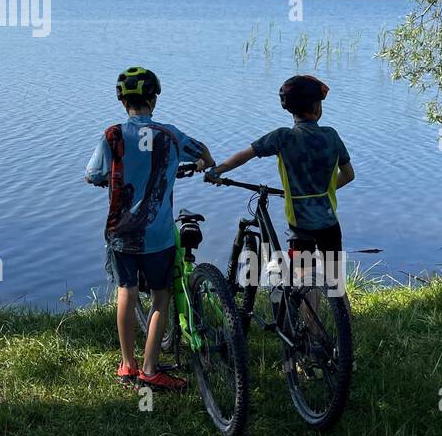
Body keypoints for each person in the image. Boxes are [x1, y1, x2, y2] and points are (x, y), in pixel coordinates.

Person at [85, 66, 214, 391]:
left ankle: (127, 366)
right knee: (160, 297)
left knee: (126, 292)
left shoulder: (112, 135)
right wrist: (197, 165)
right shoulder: (169, 136)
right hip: (156, 236)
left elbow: (93, 174)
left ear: (121, 100)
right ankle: (150, 369)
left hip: (120, 232)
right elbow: (206, 156)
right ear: (154, 98)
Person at [211, 74, 354, 295]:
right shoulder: (331, 136)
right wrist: (322, 189)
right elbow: (348, 174)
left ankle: (310, 328)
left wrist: (218, 170)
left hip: (300, 225)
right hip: (329, 222)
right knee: (335, 282)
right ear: (317, 108)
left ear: (290, 109)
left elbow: (244, 155)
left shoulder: (282, 137)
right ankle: (345, 324)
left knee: (303, 279)